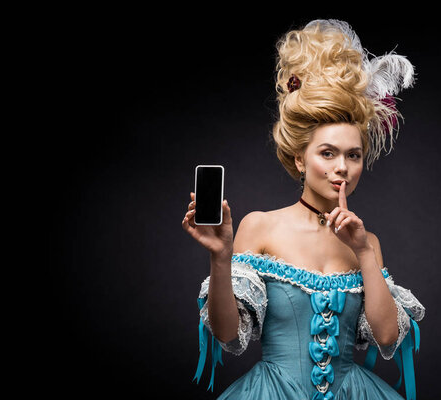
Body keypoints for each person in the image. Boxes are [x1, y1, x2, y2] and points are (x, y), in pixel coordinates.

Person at [182, 19, 425, 400]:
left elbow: (388, 340)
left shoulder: (368, 243)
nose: (341, 167)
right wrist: (219, 257)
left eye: (353, 155)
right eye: (327, 153)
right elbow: (229, 337)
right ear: (299, 159)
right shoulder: (260, 227)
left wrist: (362, 251)